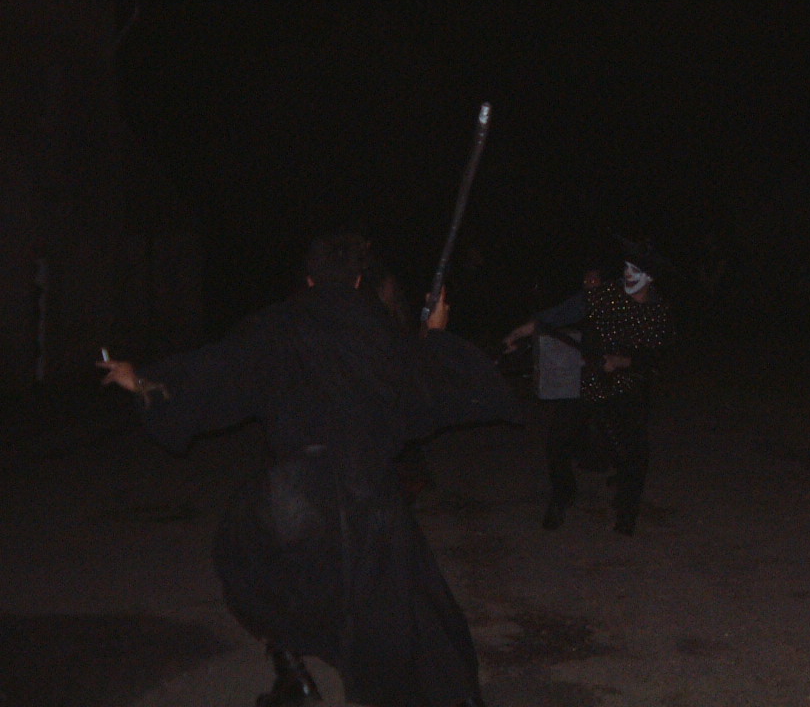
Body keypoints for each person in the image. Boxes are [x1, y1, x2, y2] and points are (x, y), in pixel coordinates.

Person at [99, 233, 517, 707]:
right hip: (369, 494)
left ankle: (293, 670)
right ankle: (306, 681)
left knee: (257, 570)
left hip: (298, 494)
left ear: (310, 280)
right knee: (411, 609)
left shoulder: (277, 326)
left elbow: (217, 372)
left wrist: (141, 381)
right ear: (357, 280)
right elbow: (425, 384)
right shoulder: (380, 331)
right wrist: (435, 334)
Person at [503, 241, 673, 536]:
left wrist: (623, 361)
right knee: (558, 441)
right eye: (626, 268)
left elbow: (655, 357)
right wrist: (522, 331)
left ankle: (627, 510)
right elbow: (563, 313)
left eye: (635, 271)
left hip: (628, 384)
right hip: (588, 378)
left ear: (650, 278)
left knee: (632, 451)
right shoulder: (605, 294)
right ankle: (563, 495)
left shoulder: (657, 312)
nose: (628, 275)